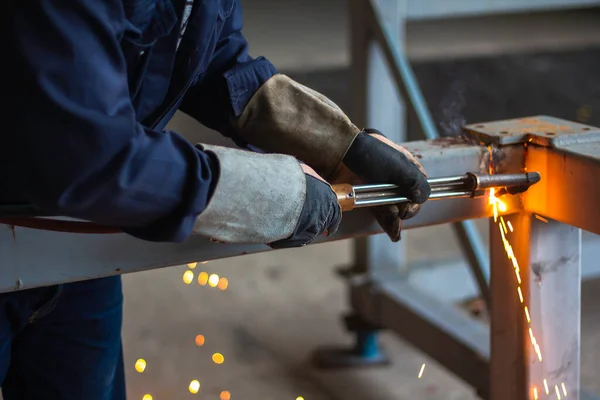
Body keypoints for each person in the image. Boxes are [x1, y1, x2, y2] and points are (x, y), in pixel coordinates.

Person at [0, 0, 430, 398]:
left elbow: (210, 53)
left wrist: (334, 144)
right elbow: (87, 155)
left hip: (78, 244)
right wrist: (255, 191)